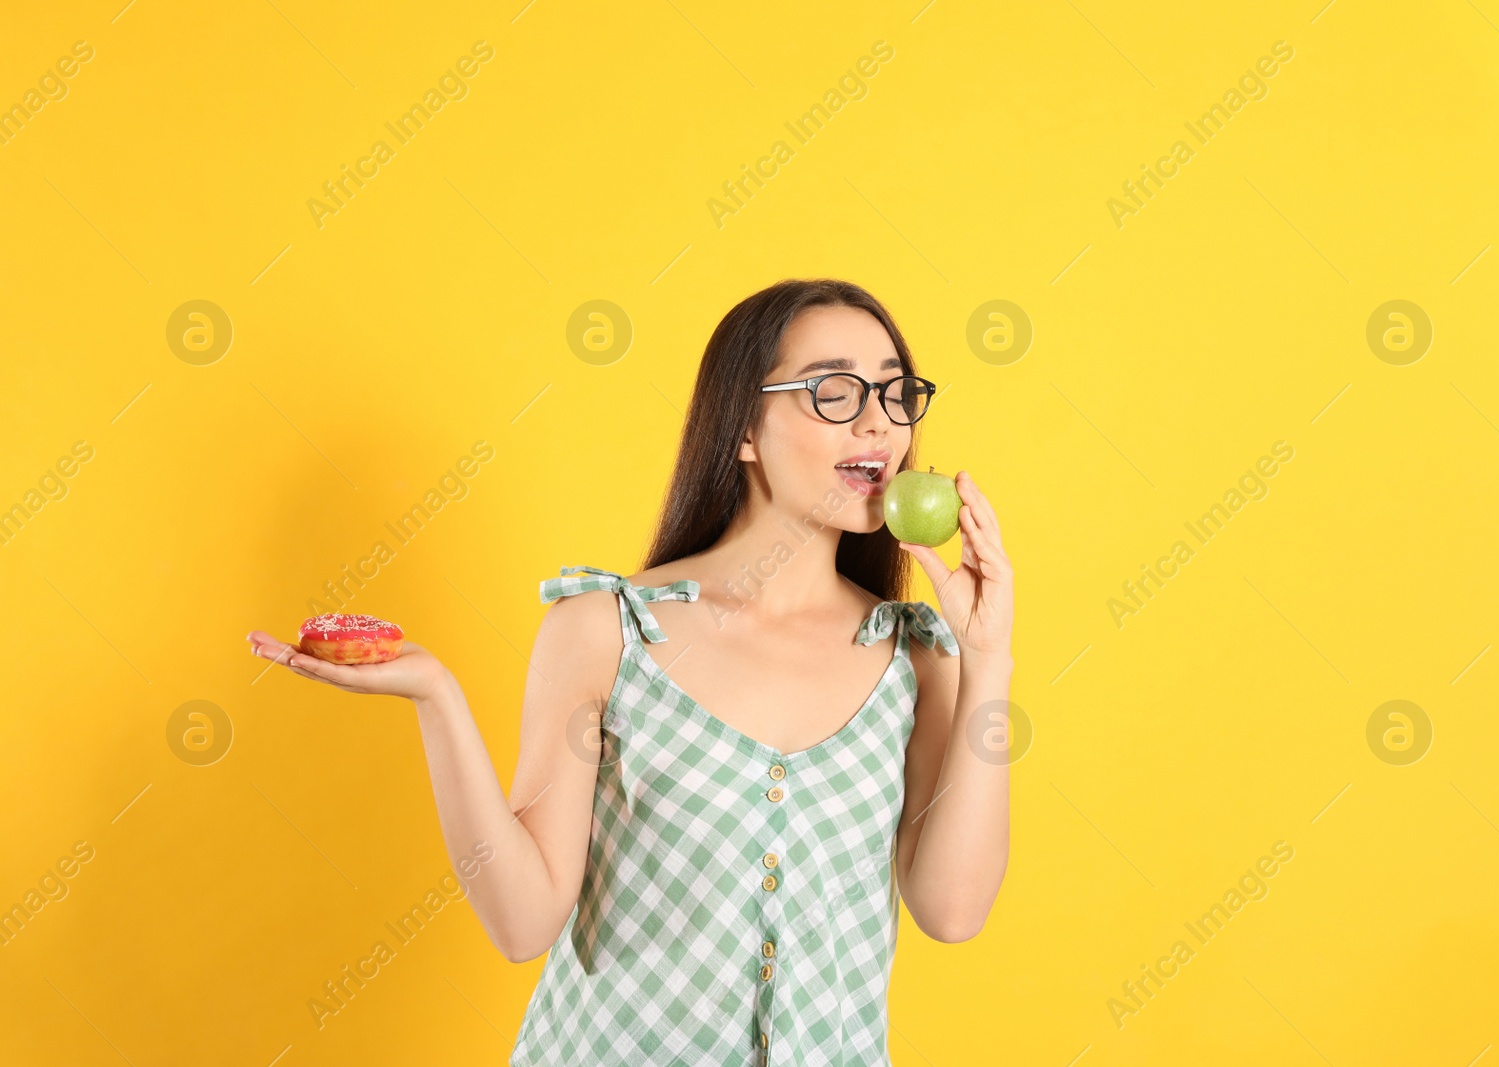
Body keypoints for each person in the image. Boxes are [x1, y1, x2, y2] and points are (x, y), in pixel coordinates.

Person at [247, 277, 1014, 1065]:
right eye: (835, 390)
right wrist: (437, 696)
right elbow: (524, 920)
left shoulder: (916, 658)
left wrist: (987, 659)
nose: (878, 421)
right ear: (744, 429)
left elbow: (952, 909)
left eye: (894, 393)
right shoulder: (605, 633)